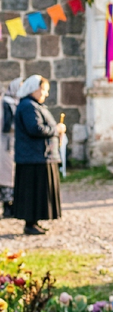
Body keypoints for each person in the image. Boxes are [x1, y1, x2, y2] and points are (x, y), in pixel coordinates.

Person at [13, 76, 64, 236]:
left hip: (38, 156)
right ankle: (30, 223)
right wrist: (57, 130)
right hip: (33, 157)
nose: (45, 94)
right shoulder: (28, 106)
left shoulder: (34, 105)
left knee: (37, 191)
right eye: (43, 90)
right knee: (32, 191)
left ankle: (34, 221)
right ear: (33, 89)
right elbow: (35, 129)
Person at [1, 78, 21, 218]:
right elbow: (8, 125)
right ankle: (8, 207)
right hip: (6, 144)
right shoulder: (8, 103)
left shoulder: (13, 102)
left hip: (10, 143)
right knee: (7, 176)